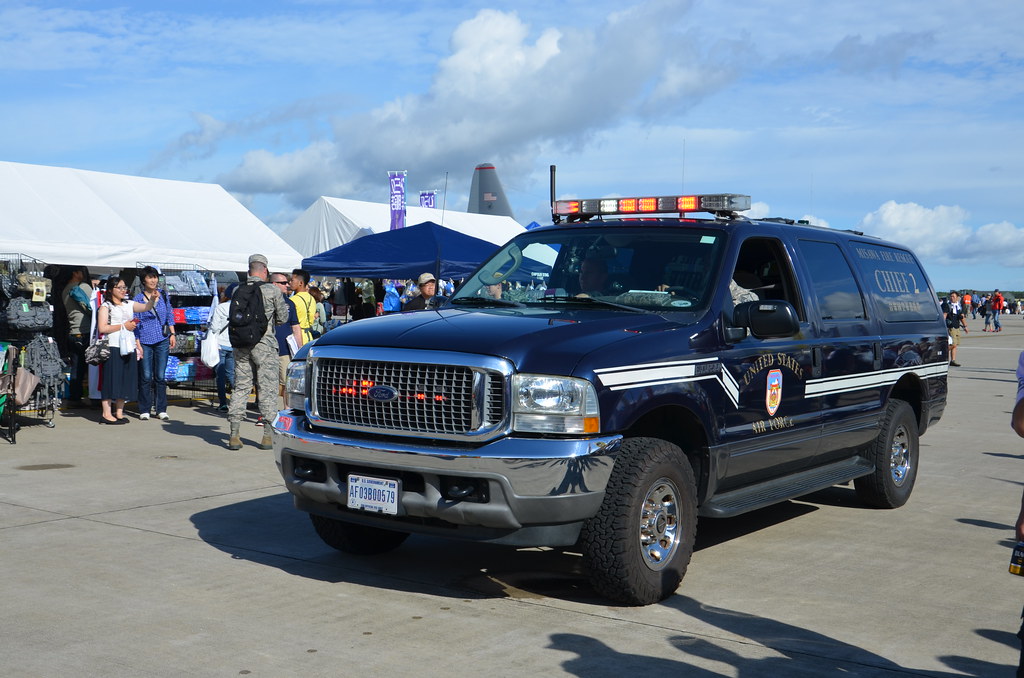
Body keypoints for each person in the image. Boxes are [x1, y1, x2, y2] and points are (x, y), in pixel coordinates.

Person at [227, 255, 289, 450]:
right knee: (268, 388)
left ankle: (234, 434)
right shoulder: (272, 290)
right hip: (265, 345)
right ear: (265, 271)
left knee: (241, 387)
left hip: (242, 344)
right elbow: (282, 318)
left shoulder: (238, 290)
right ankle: (267, 436)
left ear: (248, 271)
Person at [96, 276, 157, 424]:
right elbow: (102, 328)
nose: (123, 290)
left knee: (126, 379)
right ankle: (106, 413)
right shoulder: (106, 307)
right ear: (111, 290)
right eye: (120, 287)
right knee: (111, 379)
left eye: (125, 287)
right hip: (113, 346)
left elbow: (146, 308)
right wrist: (124, 326)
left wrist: (152, 299)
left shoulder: (129, 304)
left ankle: (119, 412)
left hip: (129, 346)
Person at [133, 266, 176, 421]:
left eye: (155, 277)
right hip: (144, 340)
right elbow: (135, 322)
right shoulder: (138, 298)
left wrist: (173, 333)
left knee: (160, 375)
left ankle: (161, 409)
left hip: (162, 339)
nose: (153, 280)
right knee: (145, 375)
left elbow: (169, 314)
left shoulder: (163, 295)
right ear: (143, 280)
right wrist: (137, 342)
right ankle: (144, 408)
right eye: (150, 277)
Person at [61, 266, 93, 405]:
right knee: (92, 367)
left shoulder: (65, 290)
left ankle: (75, 397)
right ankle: (94, 397)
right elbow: (94, 308)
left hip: (73, 332)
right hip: (85, 331)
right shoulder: (83, 286)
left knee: (76, 368)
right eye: (82, 272)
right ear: (75, 273)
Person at [270, 272, 303, 402]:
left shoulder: (290, 303)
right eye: (283, 283)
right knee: (267, 383)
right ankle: (266, 414)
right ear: (274, 284)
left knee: (287, 382)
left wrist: (300, 349)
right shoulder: (263, 301)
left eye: (287, 282)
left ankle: (287, 411)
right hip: (267, 349)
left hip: (284, 350)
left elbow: (296, 327)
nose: (287, 285)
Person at [206, 283, 237, 411]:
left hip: (220, 345)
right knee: (232, 374)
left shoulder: (221, 307)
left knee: (220, 375)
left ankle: (223, 403)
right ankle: (237, 403)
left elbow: (214, 327)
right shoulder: (243, 308)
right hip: (235, 345)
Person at [289, 268, 316, 344]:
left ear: (300, 283)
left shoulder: (293, 300)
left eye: (292, 280)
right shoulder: (311, 298)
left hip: (297, 337)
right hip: (309, 336)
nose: (289, 282)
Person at [941, 291, 968, 367]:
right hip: (950, 327)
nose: (951, 298)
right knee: (953, 344)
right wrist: (943, 326)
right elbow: (944, 315)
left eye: (953, 296)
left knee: (955, 345)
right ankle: (943, 354)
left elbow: (962, 317)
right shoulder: (947, 305)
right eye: (951, 296)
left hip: (957, 327)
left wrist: (965, 326)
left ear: (957, 297)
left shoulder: (958, 306)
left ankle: (953, 360)